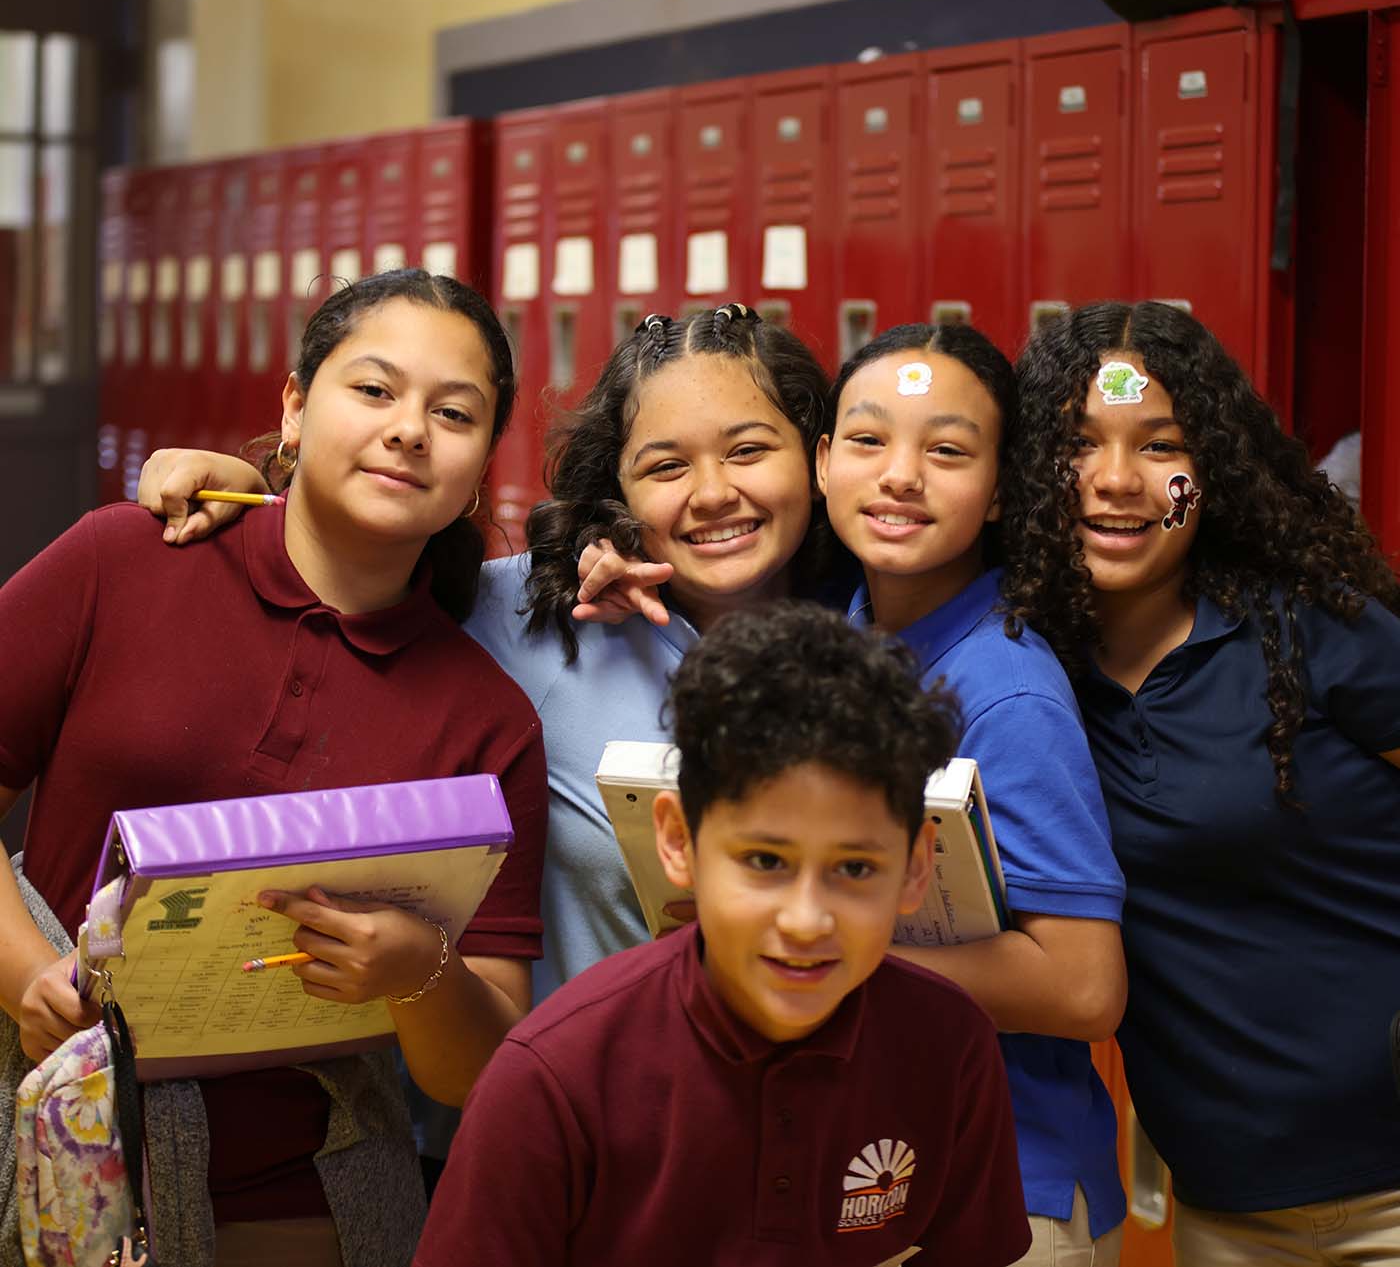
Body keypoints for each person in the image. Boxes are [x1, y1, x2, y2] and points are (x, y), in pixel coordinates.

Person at [0, 268, 547, 1265]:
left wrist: (416, 972)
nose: (409, 429)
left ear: (477, 474)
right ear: (293, 408)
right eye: (373, 390)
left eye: (453, 412)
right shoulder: (121, 560)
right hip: (50, 1160)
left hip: (308, 1201)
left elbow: (480, 1067)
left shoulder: (486, 720)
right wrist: (28, 975)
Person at [138, 304, 832, 1003]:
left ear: (819, 456)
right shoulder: (525, 612)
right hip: (560, 1087)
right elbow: (346, 572)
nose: (713, 493)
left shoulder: (877, 634)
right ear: (617, 487)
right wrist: (258, 493)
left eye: (748, 451)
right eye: (666, 466)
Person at [413, 602, 1032, 1267]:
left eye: (855, 868)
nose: (805, 920)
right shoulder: (550, 1078)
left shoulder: (951, 1043)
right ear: (678, 840)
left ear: (915, 868)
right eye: (765, 861)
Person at [1003, 300, 1400, 1263]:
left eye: (1161, 446)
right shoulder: (1030, 669)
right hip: (1224, 1207)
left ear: (1210, 473)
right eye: (1077, 443)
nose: (1116, 480)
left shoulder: (1311, 630)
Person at [814, 322, 1127, 1264]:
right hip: (886, 1168)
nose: (900, 475)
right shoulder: (844, 637)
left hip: (1006, 1194)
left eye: (946, 451)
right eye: (868, 441)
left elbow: (1084, 987)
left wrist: (832, 947)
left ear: (999, 493)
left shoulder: (1008, 690)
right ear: (824, 463)